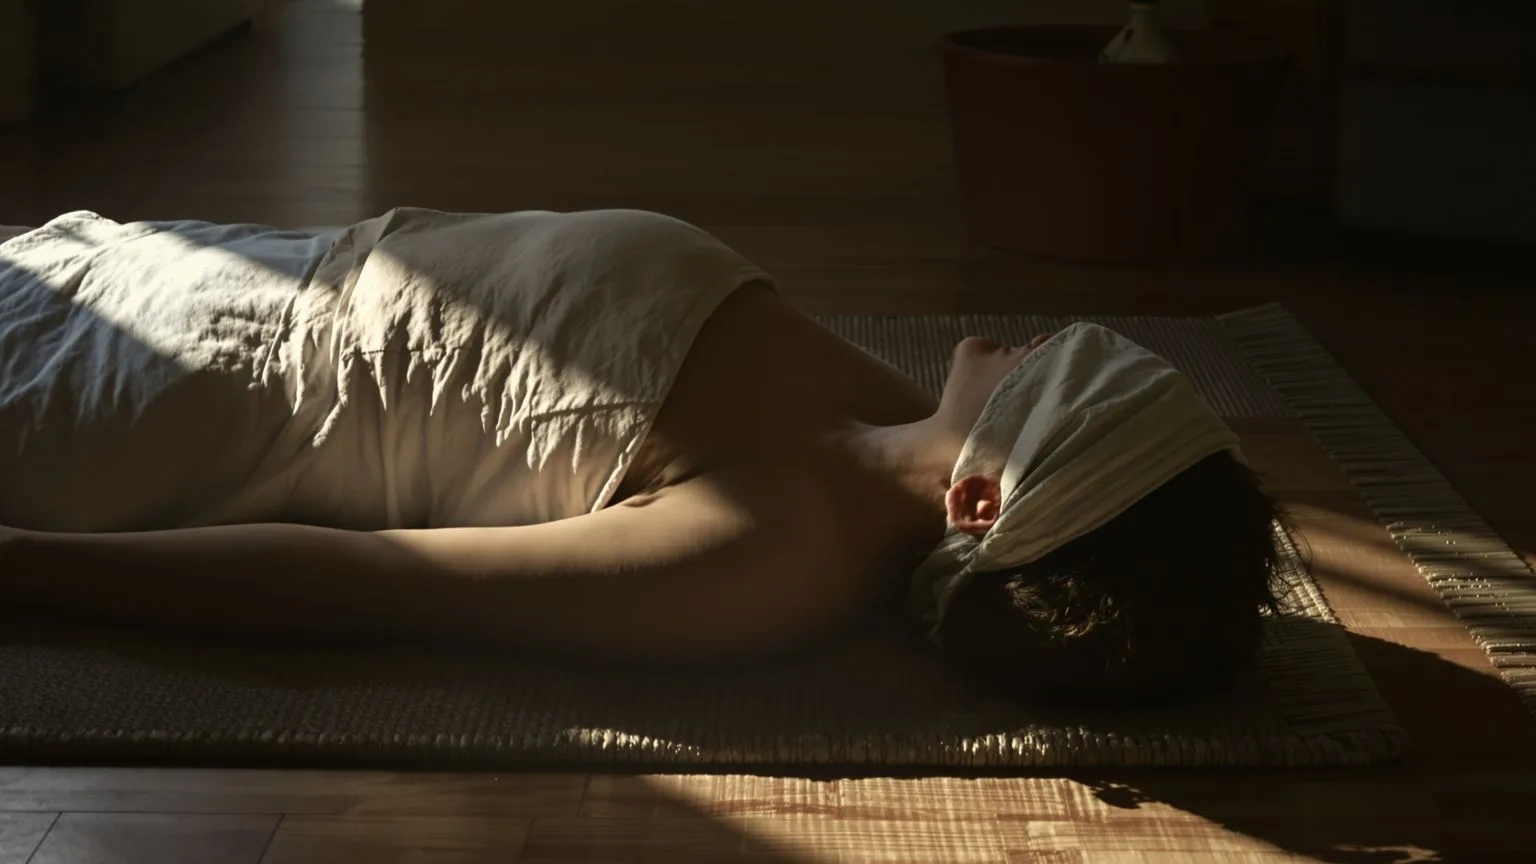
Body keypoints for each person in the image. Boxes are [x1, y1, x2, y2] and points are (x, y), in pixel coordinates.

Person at [0, 207, 1285, 703]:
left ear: (979, 496)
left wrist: (27, 570)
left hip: (183, 397)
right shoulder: (895, 432)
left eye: (1050, 376)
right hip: (262, 272)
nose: (1037, 341)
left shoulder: (763, 557)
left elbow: (364, 579)